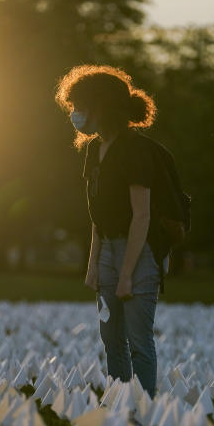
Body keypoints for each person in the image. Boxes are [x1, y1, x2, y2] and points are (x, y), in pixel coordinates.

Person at [55, 65, 165, 399]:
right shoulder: (93, 150)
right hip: (107, 252)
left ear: (100, 107)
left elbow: (141, 216)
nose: (75, 113)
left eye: (80, 106)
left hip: (139, 251)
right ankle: (120, 406)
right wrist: (93, 266)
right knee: (111, 339)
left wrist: (127, 274)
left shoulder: (136, 150)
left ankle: (144, 410)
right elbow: (98, 215)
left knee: (138, 340)